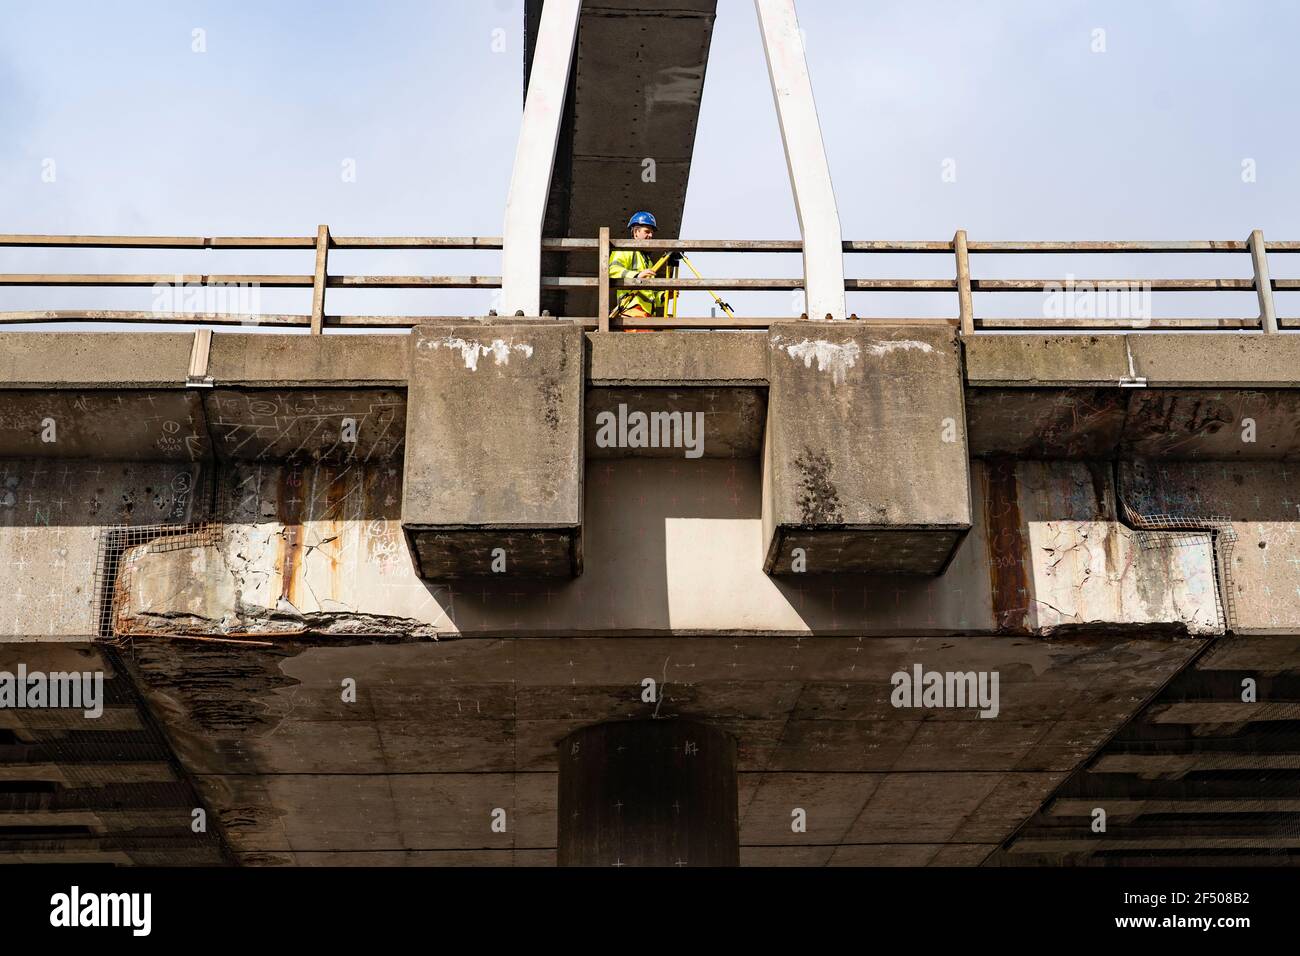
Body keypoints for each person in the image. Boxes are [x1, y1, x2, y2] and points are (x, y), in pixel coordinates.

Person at [607, 211, 673, 326]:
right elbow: (611, 270)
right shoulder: (624, 250)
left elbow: (650, 295)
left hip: (647, 316)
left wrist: (663, 296)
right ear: (636, 232)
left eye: (652, 233)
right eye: (647, 231)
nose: (651, 235)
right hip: (632, 310)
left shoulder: (648, 262)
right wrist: (636, 276)